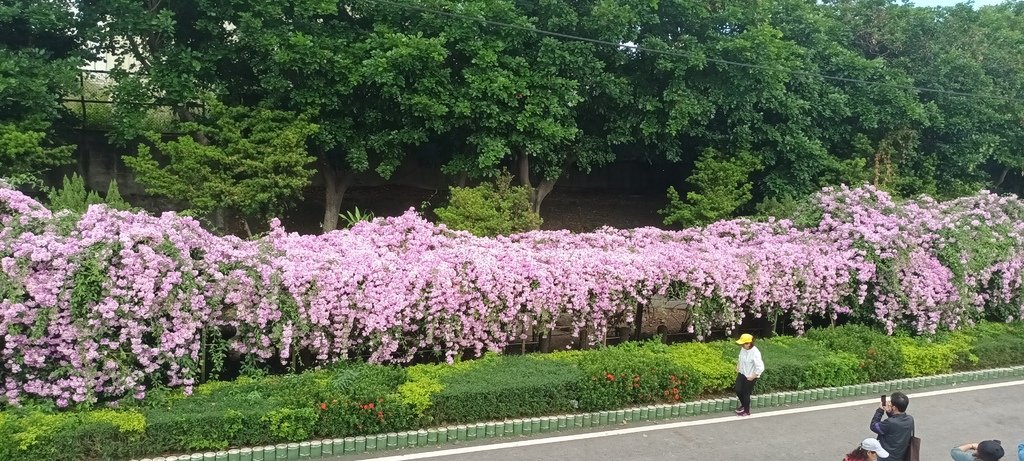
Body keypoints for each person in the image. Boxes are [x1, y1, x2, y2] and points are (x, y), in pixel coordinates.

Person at [869, 391, 915, 461]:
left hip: (885, 457)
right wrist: (889, 412)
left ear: (894, 407)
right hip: (899, 456)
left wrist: (880, 410)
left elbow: (874, 426)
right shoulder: (910, 419)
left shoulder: (889, 423)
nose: (889, 403)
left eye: (890, 402)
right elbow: (896, 422)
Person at [733, 333, 764, 417]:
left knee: (746, 393)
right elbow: (740, 357)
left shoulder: (755, 352)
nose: (742, 345)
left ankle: (746, 411)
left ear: (750, 343)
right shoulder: (743, 349)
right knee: (738, 389)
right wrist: (738, 365)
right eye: (742, 344)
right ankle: (744, 405)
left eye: (744, 344)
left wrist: (753, 376)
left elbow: (760, 367)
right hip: (742, 372)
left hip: (751, 375)